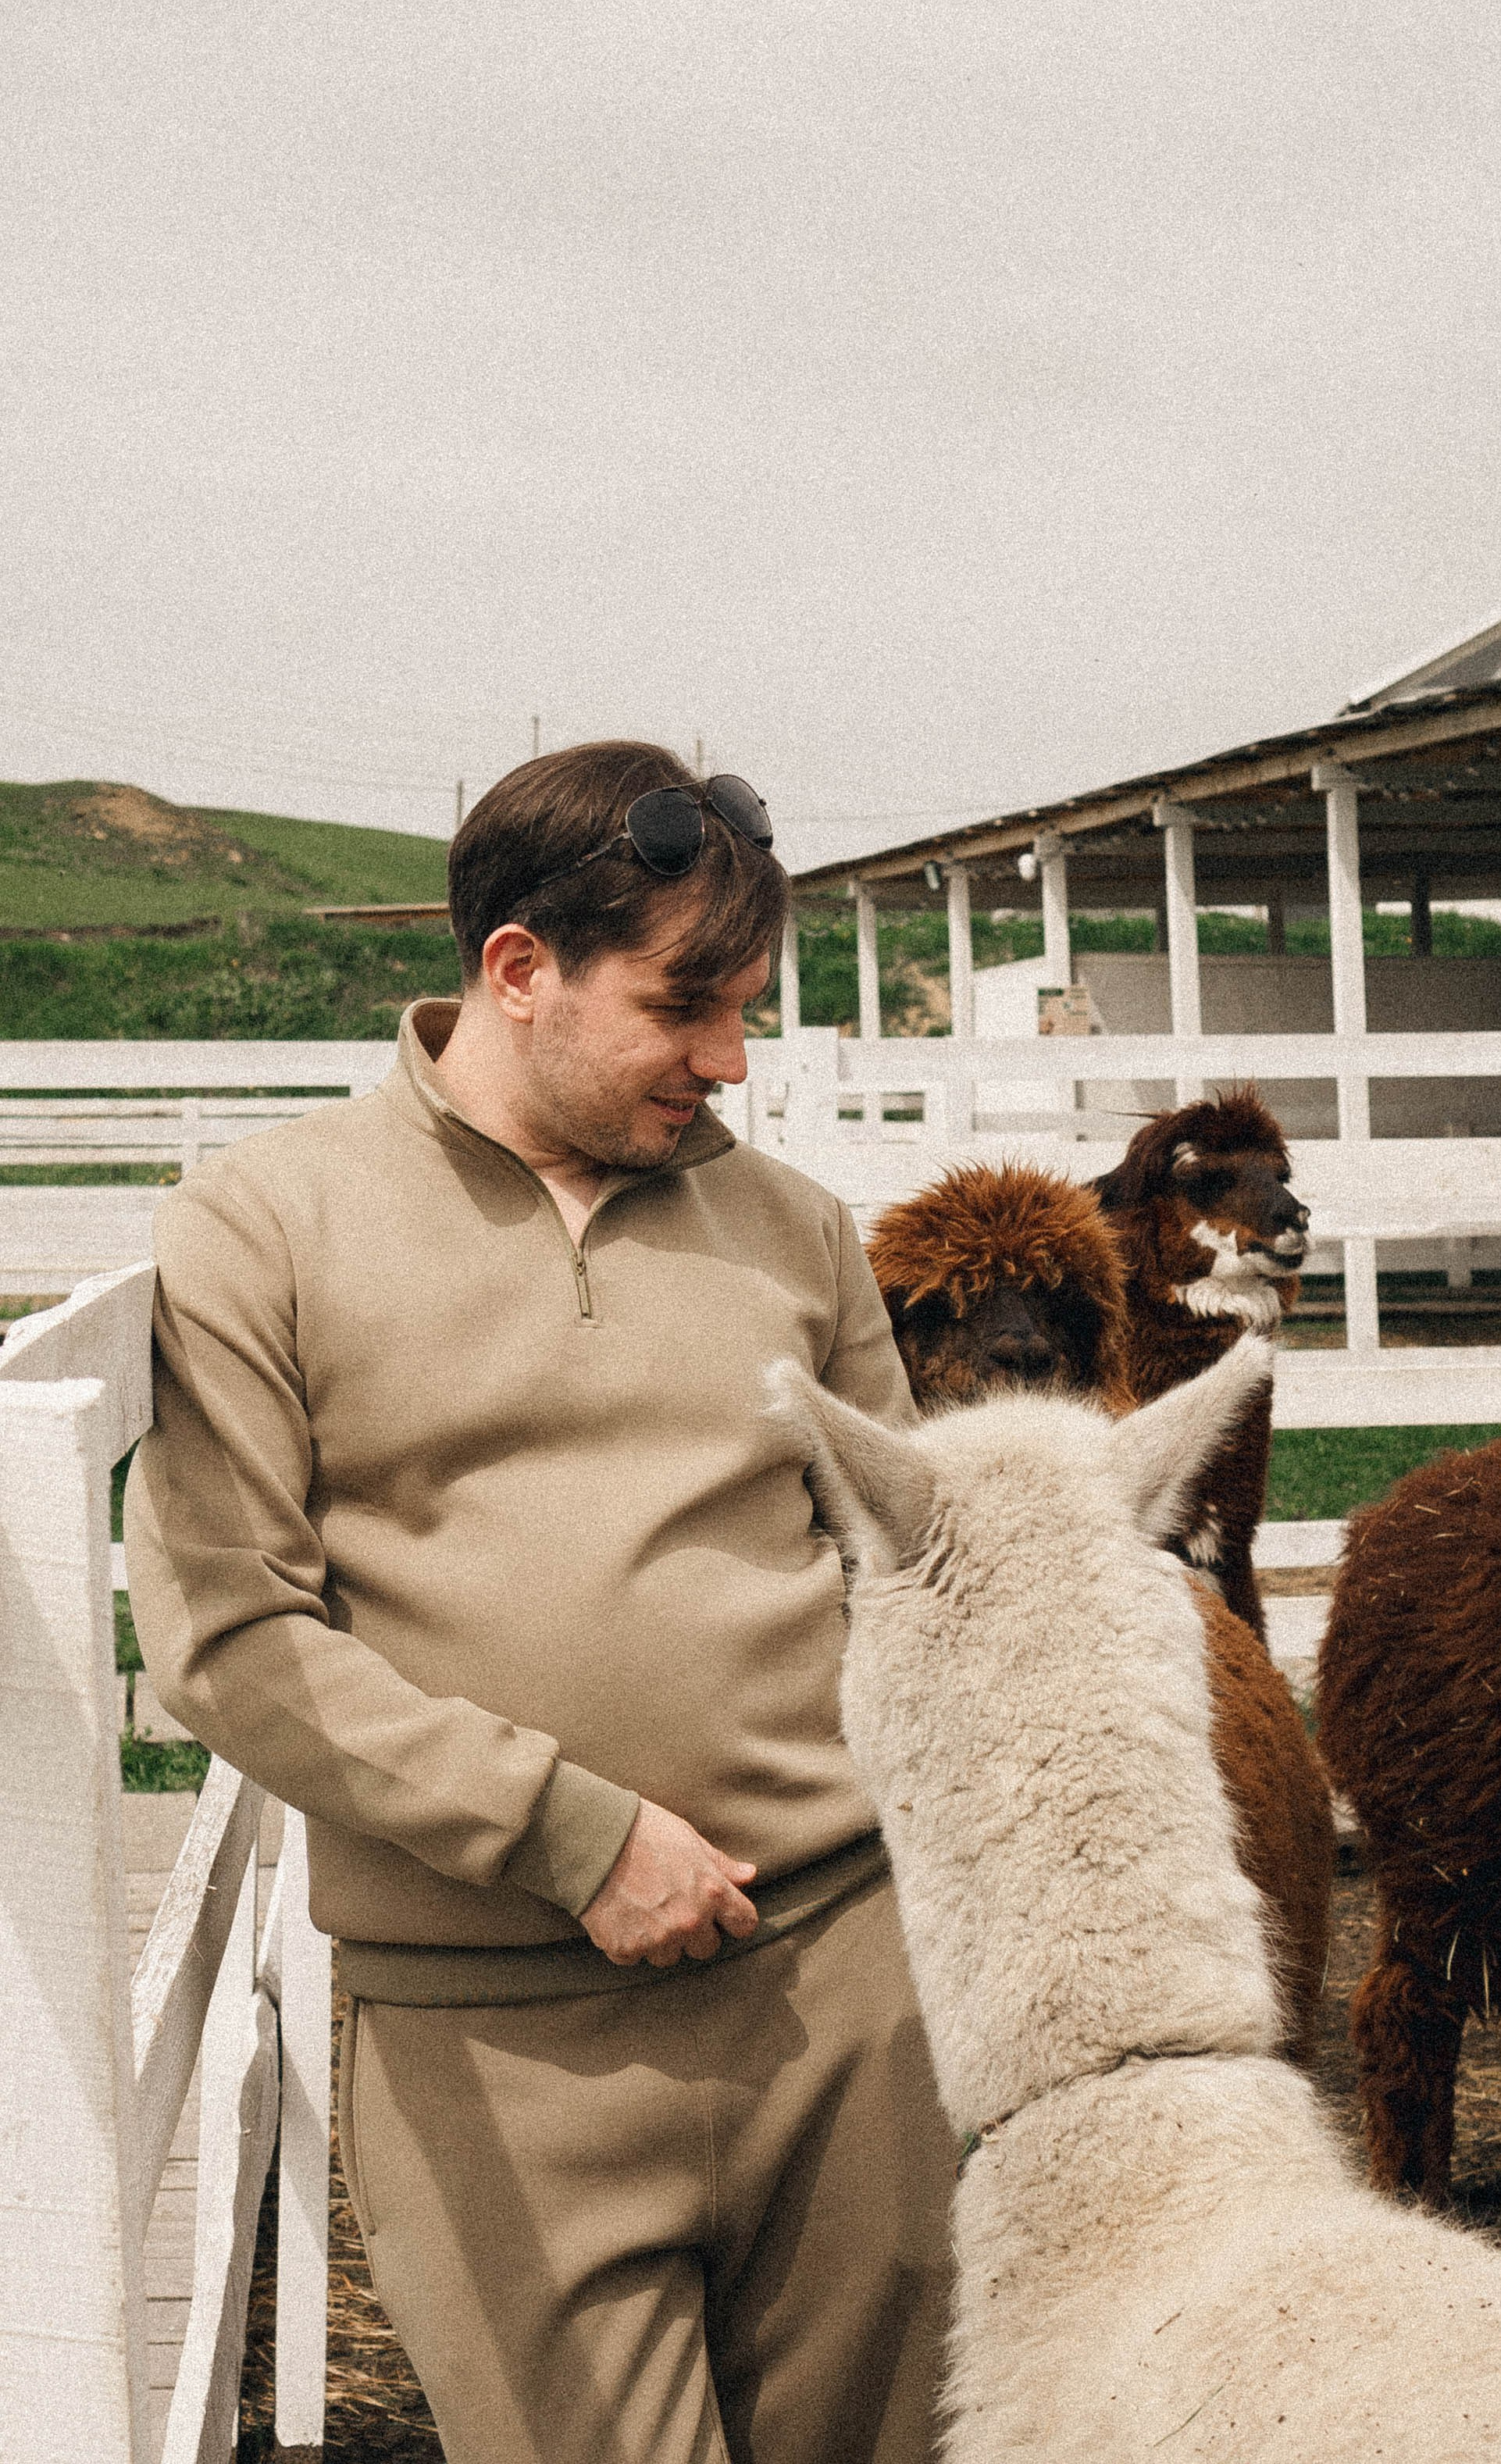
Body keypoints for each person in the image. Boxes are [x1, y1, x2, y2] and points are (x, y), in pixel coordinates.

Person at [125, 740, 955, 2464]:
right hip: (491, 2028)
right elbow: (229, 1638)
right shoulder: (267, 1226)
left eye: (746, 1007)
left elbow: (916, 1578)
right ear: (519, 968)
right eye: (684, 1004)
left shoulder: (797, 1232)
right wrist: (571, 1832)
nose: (729, 1060)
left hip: (842, 1998)